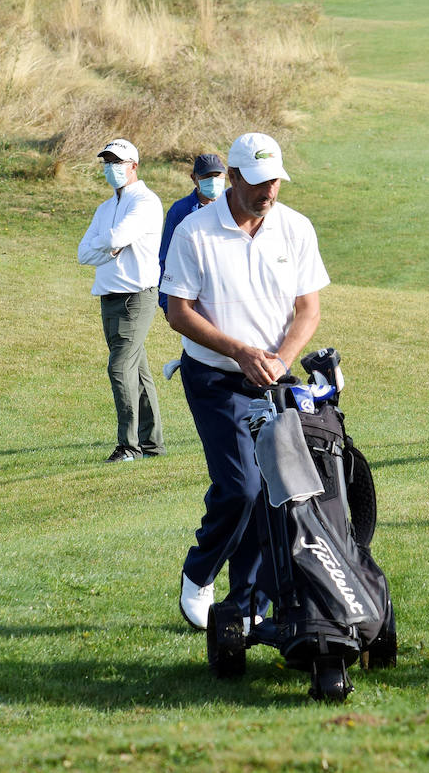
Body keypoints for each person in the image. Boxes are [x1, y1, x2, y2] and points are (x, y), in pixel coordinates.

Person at [162, 132, 329, 630]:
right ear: (232, 178)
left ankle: (249, 604)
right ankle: (200, 573)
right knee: (241, 487)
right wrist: (238, 350)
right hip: (215, 376)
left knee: (275, 490)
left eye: (274, 180)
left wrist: (281, 358)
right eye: (256, 181)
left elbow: (308, 308)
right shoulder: (194, 232)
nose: (267, 191)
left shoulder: (296, 228)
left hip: (273, 377)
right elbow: (178, 313)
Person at [78, 139, 165, 463]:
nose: (111, 168)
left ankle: (129, 447)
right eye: (106, 162)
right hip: (109, 295)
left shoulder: (145, 201)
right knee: (137, 371)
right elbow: (83, 253)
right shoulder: (105, 208)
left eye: (117, 162)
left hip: (137, 296)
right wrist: (109, 247)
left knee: (119, 368)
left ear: (133, 166)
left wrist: (109, 244)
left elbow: (116, 238)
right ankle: (153, 445)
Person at [159, 153, 227, 313]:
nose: (213, 181)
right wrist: (166, 304)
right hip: (191, 294)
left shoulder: (234, 207)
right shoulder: (180, 211)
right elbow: (166, 258)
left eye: (217, 176)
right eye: (206, 176)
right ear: (194, 178)